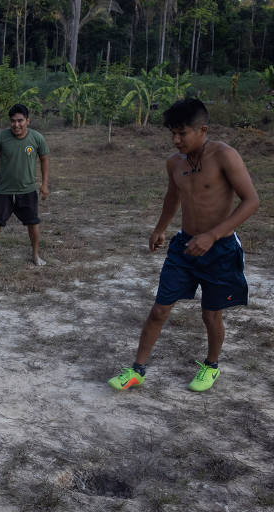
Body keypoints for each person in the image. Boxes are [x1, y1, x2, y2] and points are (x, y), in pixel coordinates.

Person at [108, 99, 259, 392]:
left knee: (210, 314)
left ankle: (211, 366)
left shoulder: (225, 156)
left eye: (182, 133)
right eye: (172, 134)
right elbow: (171, 197)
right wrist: (160, 228)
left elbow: (252, 201)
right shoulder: (174, 163)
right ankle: (137, 369)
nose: (176, 140)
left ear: (202, 130)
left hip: (220, 249)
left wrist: (213, 236)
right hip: (184, 247)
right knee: (159, 309)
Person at [0, 103, 49, 266]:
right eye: (13, 121)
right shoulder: (1, 137)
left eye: (20, 120)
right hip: (3, 190)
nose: (16, 125)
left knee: (33, 223)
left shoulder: (37, 138)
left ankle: (35, 255)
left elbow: (44, 159)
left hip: (27, 189)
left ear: (28, 120)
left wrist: (45, 184)